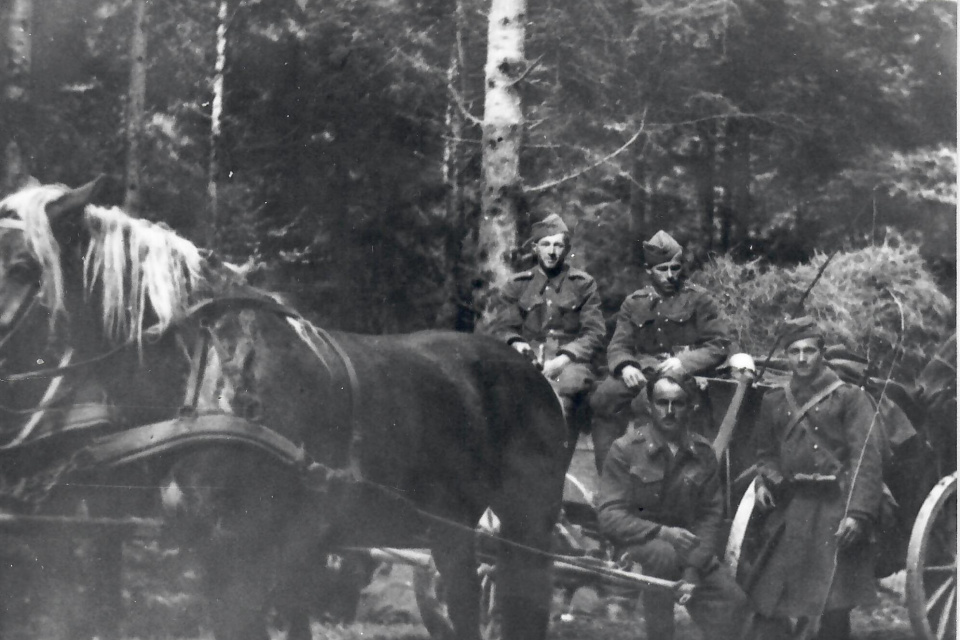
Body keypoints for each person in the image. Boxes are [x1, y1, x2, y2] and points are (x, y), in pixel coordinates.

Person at [747, 316, 883, 640]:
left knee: (833, 608)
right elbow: (764, 453)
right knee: (769, 598)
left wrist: (858, 514)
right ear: (786, 355)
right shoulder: (774, 401)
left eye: (809, 350)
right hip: (792, 510)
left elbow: (866, 458)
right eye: (794, 352)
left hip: (835, 508)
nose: (802, 358)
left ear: (822, 352)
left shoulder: (850, 398)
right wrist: (767, 479)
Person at [597, 371, 750, 640]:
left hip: (687, 549)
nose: (669, 411)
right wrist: (661, 532)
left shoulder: (702, 455)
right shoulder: (625, 450)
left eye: (677, 403)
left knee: (732, 602)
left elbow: (709, 516)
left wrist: (692, 571)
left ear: (690, 406)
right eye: (661, 402)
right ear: (650, 406)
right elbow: (610, 516)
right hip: (637, 545)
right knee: (662, 555)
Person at [589, 230, 731, 473]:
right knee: (603, 398)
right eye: (662, 269)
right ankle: (609, 476)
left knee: (652, 405)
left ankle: (660, 475)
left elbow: (719, 343)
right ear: (648, 270)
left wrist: (684, 362)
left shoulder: (699, 299)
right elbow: (619, 344)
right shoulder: (634, 302)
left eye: (674, 268)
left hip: (685, 374)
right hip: (644, 371)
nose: (669, 276)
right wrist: (626, 365)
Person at [487, 213, 605, 436]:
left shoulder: (582, 284)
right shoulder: (517, 284)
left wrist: (564, 358)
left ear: (566, 249)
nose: (552, 251)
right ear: (535, 248)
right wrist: (518, 345)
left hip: (569, 363)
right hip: (526, 359)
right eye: (546, 244)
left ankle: (557, 460)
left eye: (558, 245)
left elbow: (594, 331)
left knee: (561, 396)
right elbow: (503, 328)